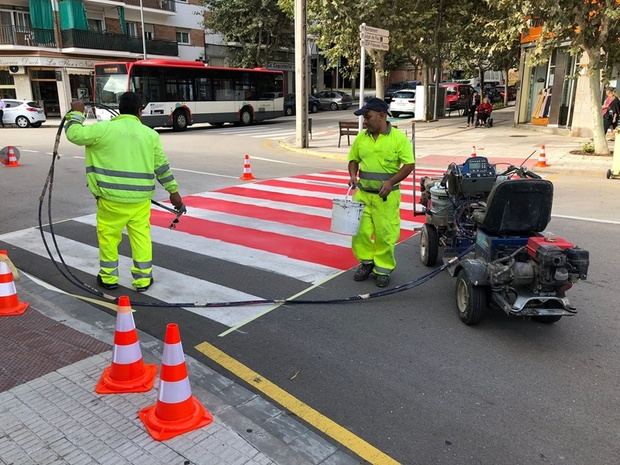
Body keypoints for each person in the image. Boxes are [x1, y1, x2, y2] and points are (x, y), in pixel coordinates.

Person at [64, 92, 183, 292]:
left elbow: (74, 134)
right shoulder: (150, 135)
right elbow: (162, 167)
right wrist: (174, 193)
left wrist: (76, 113)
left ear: (119, 109)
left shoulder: (104, 129)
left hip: (110, 200)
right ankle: (143, 280)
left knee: (109, 238)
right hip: (140, 201)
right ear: (140, 111)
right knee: (141, 238)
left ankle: (109, 279)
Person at [347, 98, 415, 288]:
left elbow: (409, 164)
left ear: (382, 116)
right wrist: (353, 175)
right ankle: (367, 263)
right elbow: (353, 160)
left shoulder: (398, 139)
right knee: (360, 232)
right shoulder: (362, 137)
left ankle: (383, 269)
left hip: (386, 197)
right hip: (362, 194)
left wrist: (391, 181)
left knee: (385, 234)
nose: (365, 122)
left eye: (367, 117)